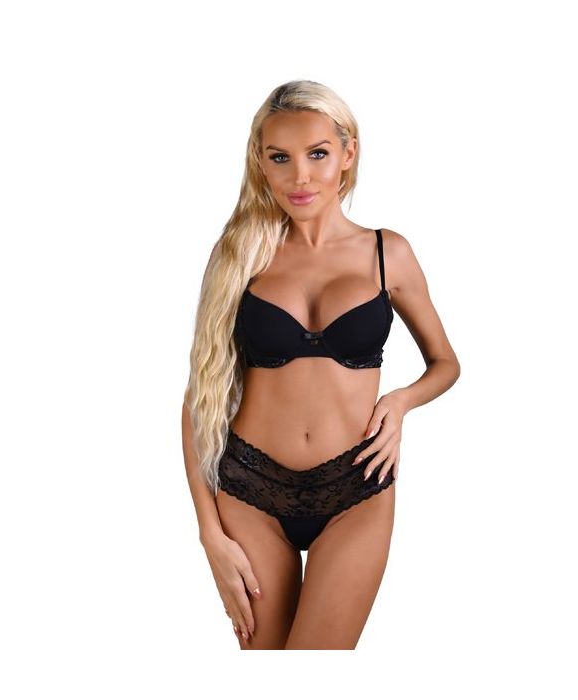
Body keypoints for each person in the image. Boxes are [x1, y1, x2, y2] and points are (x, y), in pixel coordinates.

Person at [181, 80, 460, 650]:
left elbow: (445, 363)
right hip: (250, 487)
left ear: (347, 153)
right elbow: (199, 394)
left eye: (317, 154)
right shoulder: (239, 254)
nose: (300, 177)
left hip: (356, 485)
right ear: (260, 162)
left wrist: (400, 402)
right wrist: (209, 532)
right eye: (280, 158)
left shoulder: (388, 253)